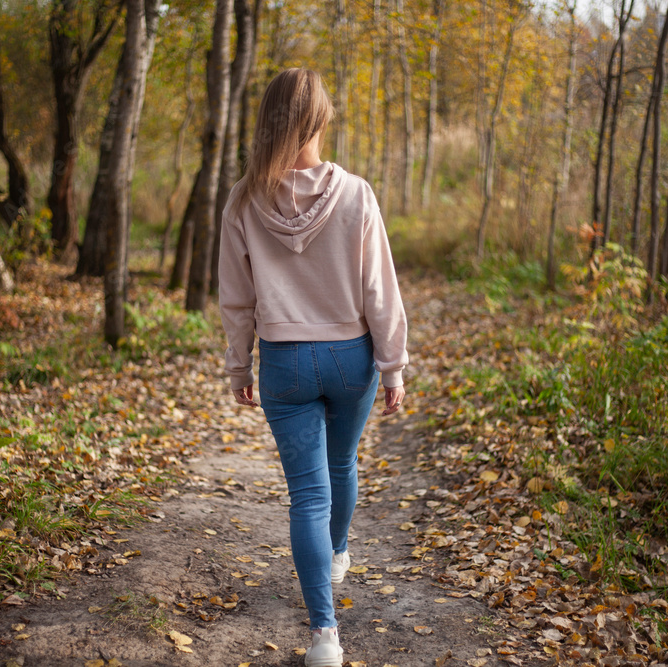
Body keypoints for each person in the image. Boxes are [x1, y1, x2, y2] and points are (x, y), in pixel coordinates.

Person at [218, 67, 408, 667]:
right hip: (351, 356)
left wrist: (237, 366)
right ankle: (339, 551)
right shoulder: (356, 194)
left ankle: (325, 636)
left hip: (284, 361)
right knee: (343, 463)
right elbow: (381, 290)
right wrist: (393, 365)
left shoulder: (244, 199)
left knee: (307, 496)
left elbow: (236, 296)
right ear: (322, 120)